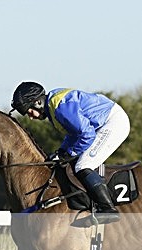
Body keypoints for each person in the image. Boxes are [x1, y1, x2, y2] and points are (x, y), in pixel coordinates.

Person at [11, 81, 130, 223]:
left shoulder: (60, 108)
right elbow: (73, 133)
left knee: (83, 165)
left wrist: (69, 153)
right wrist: (61, 151)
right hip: (103, 123)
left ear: (37, 102)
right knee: (73, 163)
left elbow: (87, 135)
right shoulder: (54, 106)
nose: (30, 116)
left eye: (29, 111)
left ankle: (108, 209)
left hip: (113, 123)